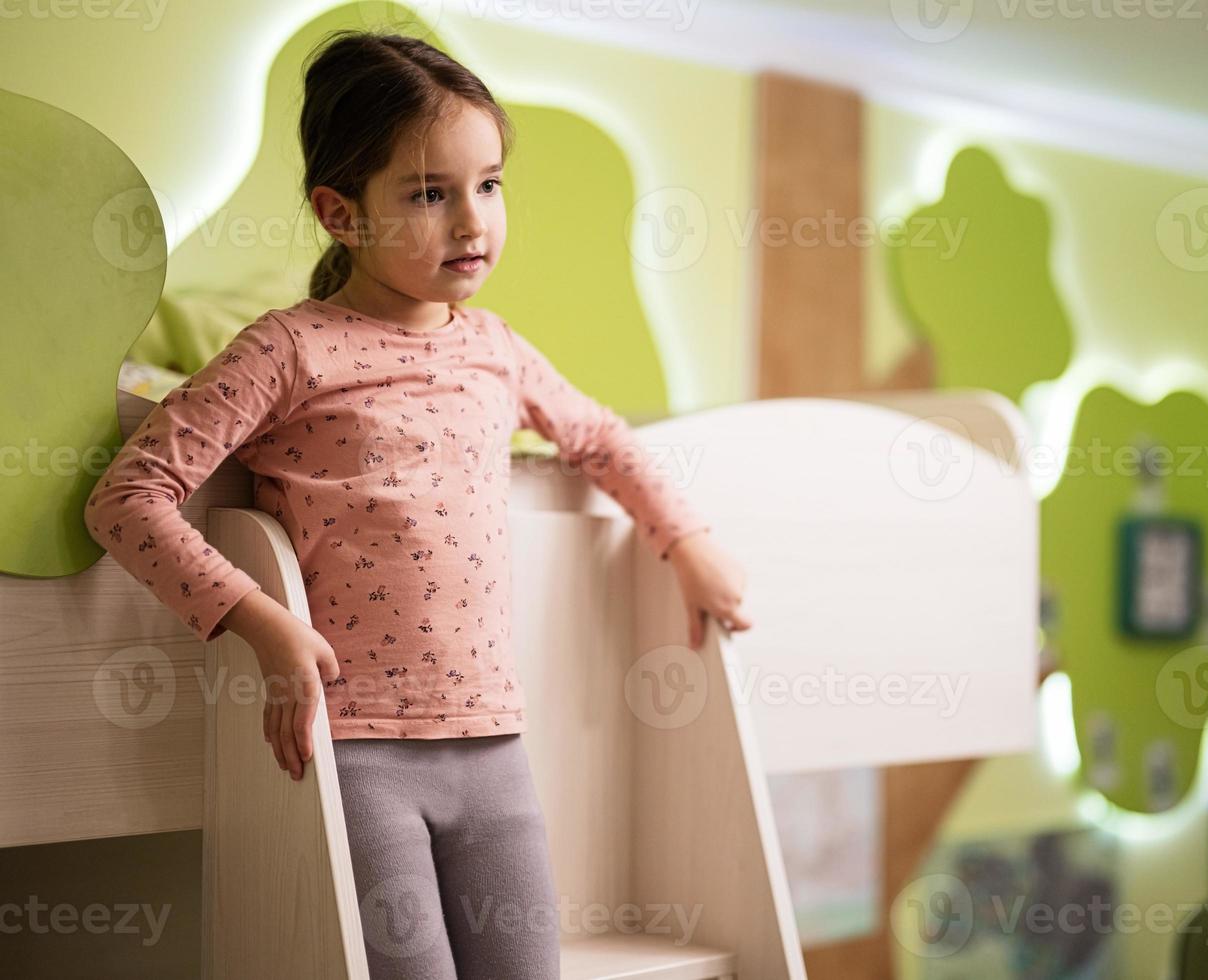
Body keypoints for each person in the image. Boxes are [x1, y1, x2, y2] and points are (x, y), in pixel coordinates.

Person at [84, 29, 751, 978]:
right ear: (339, 212)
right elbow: (127, 499)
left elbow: (600, 438)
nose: (472, 223)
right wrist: (261, 622)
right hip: (359, 754)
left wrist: (686, 542)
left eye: (489, 185)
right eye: (430, 194)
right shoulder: (290, 348)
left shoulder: (495, 348)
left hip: (496, 747)